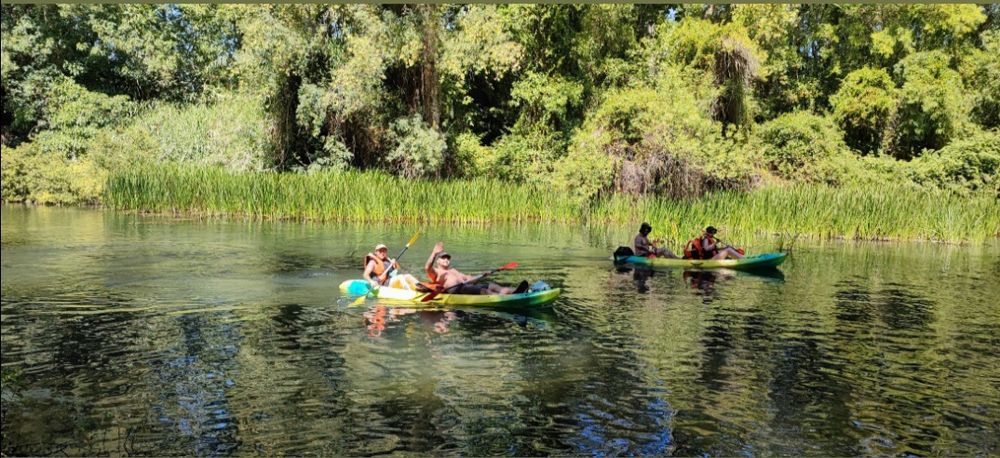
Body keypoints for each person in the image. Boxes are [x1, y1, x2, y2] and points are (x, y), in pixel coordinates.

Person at [424, 242, 528, 295]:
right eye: (443, 258)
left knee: (493, 286)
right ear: (437, 261)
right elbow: (427, 267)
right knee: (485, 291)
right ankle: (510, 298)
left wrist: (482, 275)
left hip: (466, 286)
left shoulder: (453, 270)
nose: (446, 260)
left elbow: (468, 279)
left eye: (448, 258)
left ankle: (517, 291)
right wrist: (434, 253)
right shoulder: (436, 272)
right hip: (459, 291)